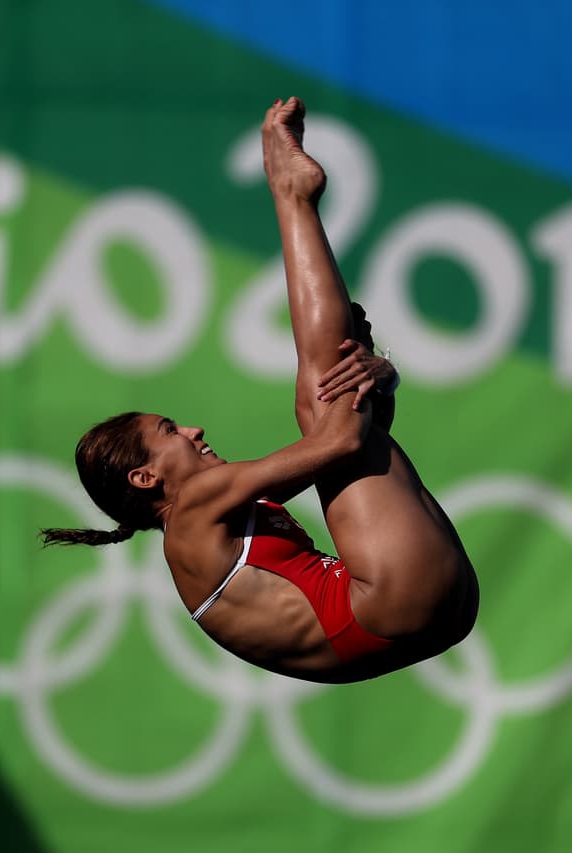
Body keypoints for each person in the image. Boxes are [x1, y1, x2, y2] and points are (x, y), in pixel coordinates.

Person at [42, 98, 477, 683]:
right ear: (145, 478)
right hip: (392, 602)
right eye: (170, 431)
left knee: (329, 400)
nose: (194, 430)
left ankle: (294, 200)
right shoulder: (192, 511)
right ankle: (291, 194)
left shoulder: (220, 522)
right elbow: (344, 439)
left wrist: (379, 375)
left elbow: (361, 441)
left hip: (419, 612)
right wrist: (361, 367)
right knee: (321, 394)